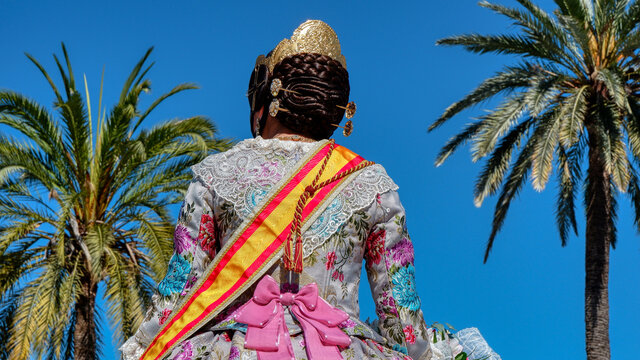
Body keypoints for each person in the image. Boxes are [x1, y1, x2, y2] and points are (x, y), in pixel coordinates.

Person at [121, 20, 485, 360]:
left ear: (268, 99)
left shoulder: (217, 173)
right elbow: (404, 325)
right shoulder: (371, 183)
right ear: (334, 111)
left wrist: (140, 347)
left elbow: (177, 296)